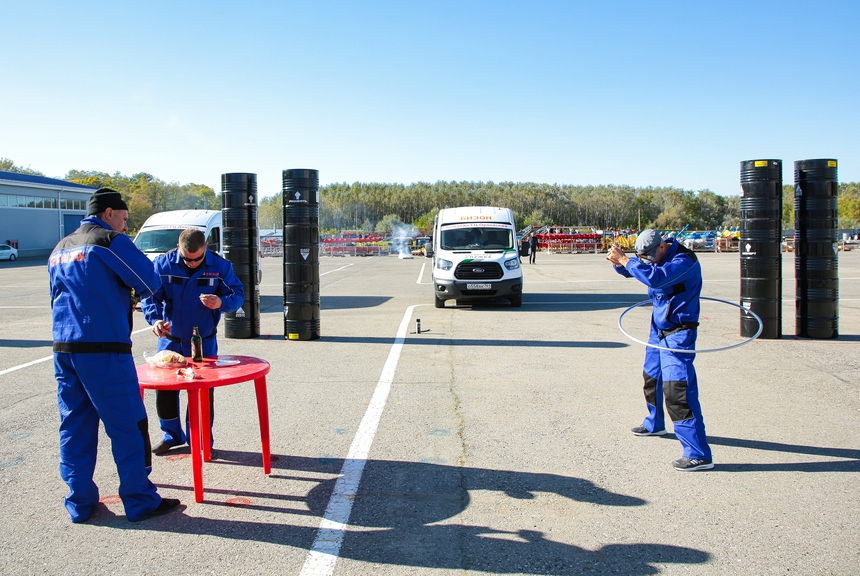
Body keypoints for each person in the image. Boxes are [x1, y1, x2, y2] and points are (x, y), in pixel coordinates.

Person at [49, 188, 181, 522]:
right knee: (128, 426)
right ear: (109, 213)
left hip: (64, 349)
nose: (125, 226)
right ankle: (139, 500)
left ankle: (79, 502)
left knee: (74, 425)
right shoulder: (108, 241)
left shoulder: (61, 248)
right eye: (123, 219)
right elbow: (149, 280)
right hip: (104, 350)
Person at [606, 229, 713, 471]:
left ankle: (698, 453)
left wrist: (627, 261)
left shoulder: (684, 261)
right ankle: (655, 423)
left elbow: (655, 278)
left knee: (678, 392)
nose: (646, 261)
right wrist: (618, 261)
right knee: (651, 378)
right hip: (658, 329)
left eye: (648, 256)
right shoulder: (657, 258)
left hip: (678, 333)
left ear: (662, 246)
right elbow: (636, 271)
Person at [142, 228, 245, 455]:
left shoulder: (220, 266)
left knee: (201, 392)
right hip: (171, 340)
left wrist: (220, 302)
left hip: (202, 342)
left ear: (206, 248)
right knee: (165, 390)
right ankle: (172, 435)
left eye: (197, 259)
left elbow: (237, 294)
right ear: (178, 248)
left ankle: (199, 440)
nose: (191, 263)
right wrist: (156, 319)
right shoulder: (163, 265)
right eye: (187, 259)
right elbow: (150, 295)